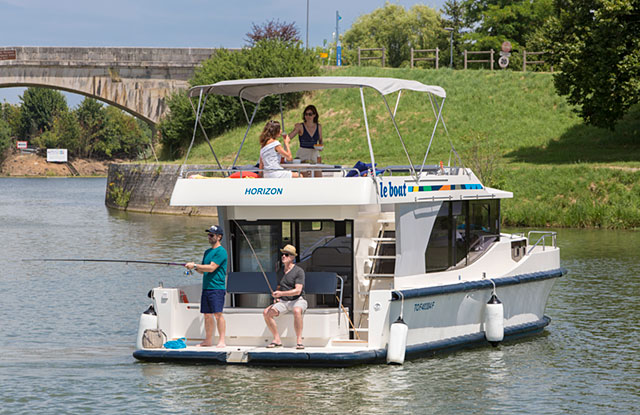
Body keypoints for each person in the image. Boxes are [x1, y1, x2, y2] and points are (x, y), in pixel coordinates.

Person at [185, 225, 227, 348]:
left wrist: (195, 265)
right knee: (207, 315)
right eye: (208, 234)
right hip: (206, 288)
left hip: (217, 288)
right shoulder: (207, 252)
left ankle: (222, 341)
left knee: (218, 314)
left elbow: (212, 267)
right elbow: (203, 271)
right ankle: (208, 340)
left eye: (211, 235)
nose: (209, 237)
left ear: (219, 237)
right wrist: (193, 267)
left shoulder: (221, 252)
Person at [262, 244, 307, 349]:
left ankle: (299, 341)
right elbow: (279, 286)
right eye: (282, 254)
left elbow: (298, 291)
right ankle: (277, 339)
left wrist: (281, 294)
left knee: (297, 310)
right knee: (266, 313)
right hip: (283, 302)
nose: (283, 256)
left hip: (297, 300)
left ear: (292, 257)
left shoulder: (299, 271)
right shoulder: (280, 271)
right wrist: (276, 296)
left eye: (286, 254)